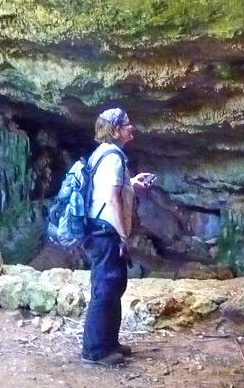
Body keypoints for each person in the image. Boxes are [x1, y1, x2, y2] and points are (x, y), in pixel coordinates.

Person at [81, 107, 155, 366]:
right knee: (106, 288)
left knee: (113, 286)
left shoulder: (104, 154)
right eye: (126, 124)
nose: (130, 127)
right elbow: (111, 199)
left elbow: (107, 190)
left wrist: (131, 183)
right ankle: (95, 351)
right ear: (114, 130)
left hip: (99, 229)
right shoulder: (112, 157)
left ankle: (109, 342)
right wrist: (123, 233)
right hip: (106, 231)